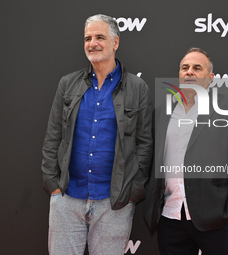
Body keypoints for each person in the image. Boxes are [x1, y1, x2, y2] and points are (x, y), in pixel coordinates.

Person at [41, 14, 152, 255]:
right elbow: (53, 136)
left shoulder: (136, 88)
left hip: (114, 204)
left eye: (100, 37)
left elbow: (144, 145)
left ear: (115, 42)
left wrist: (133, 193)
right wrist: (53, 185)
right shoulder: (67, 84)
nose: (93, 43)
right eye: (88, 38)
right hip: (67, 198)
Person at [144, 47, 228, 255]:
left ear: (210, 78)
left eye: (196, 68)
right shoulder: (162, 113)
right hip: (171, 217)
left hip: (215, 217)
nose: (189, 72)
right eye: (185, 68)